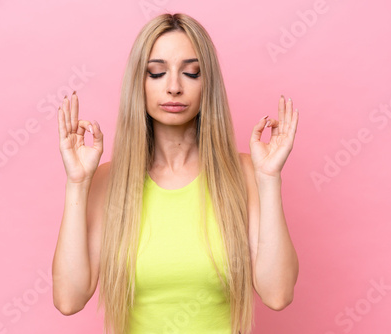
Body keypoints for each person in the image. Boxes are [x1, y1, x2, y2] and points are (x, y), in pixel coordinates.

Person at [52, 12, 299, 334]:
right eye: (156, 73)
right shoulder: (106, 181)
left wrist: (269, 180)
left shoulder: (246, 174)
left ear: (207, 83)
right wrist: (77, 183)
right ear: (137, 85)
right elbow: (69, 300)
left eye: (191, 73)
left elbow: (277, 294)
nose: (173, 87)